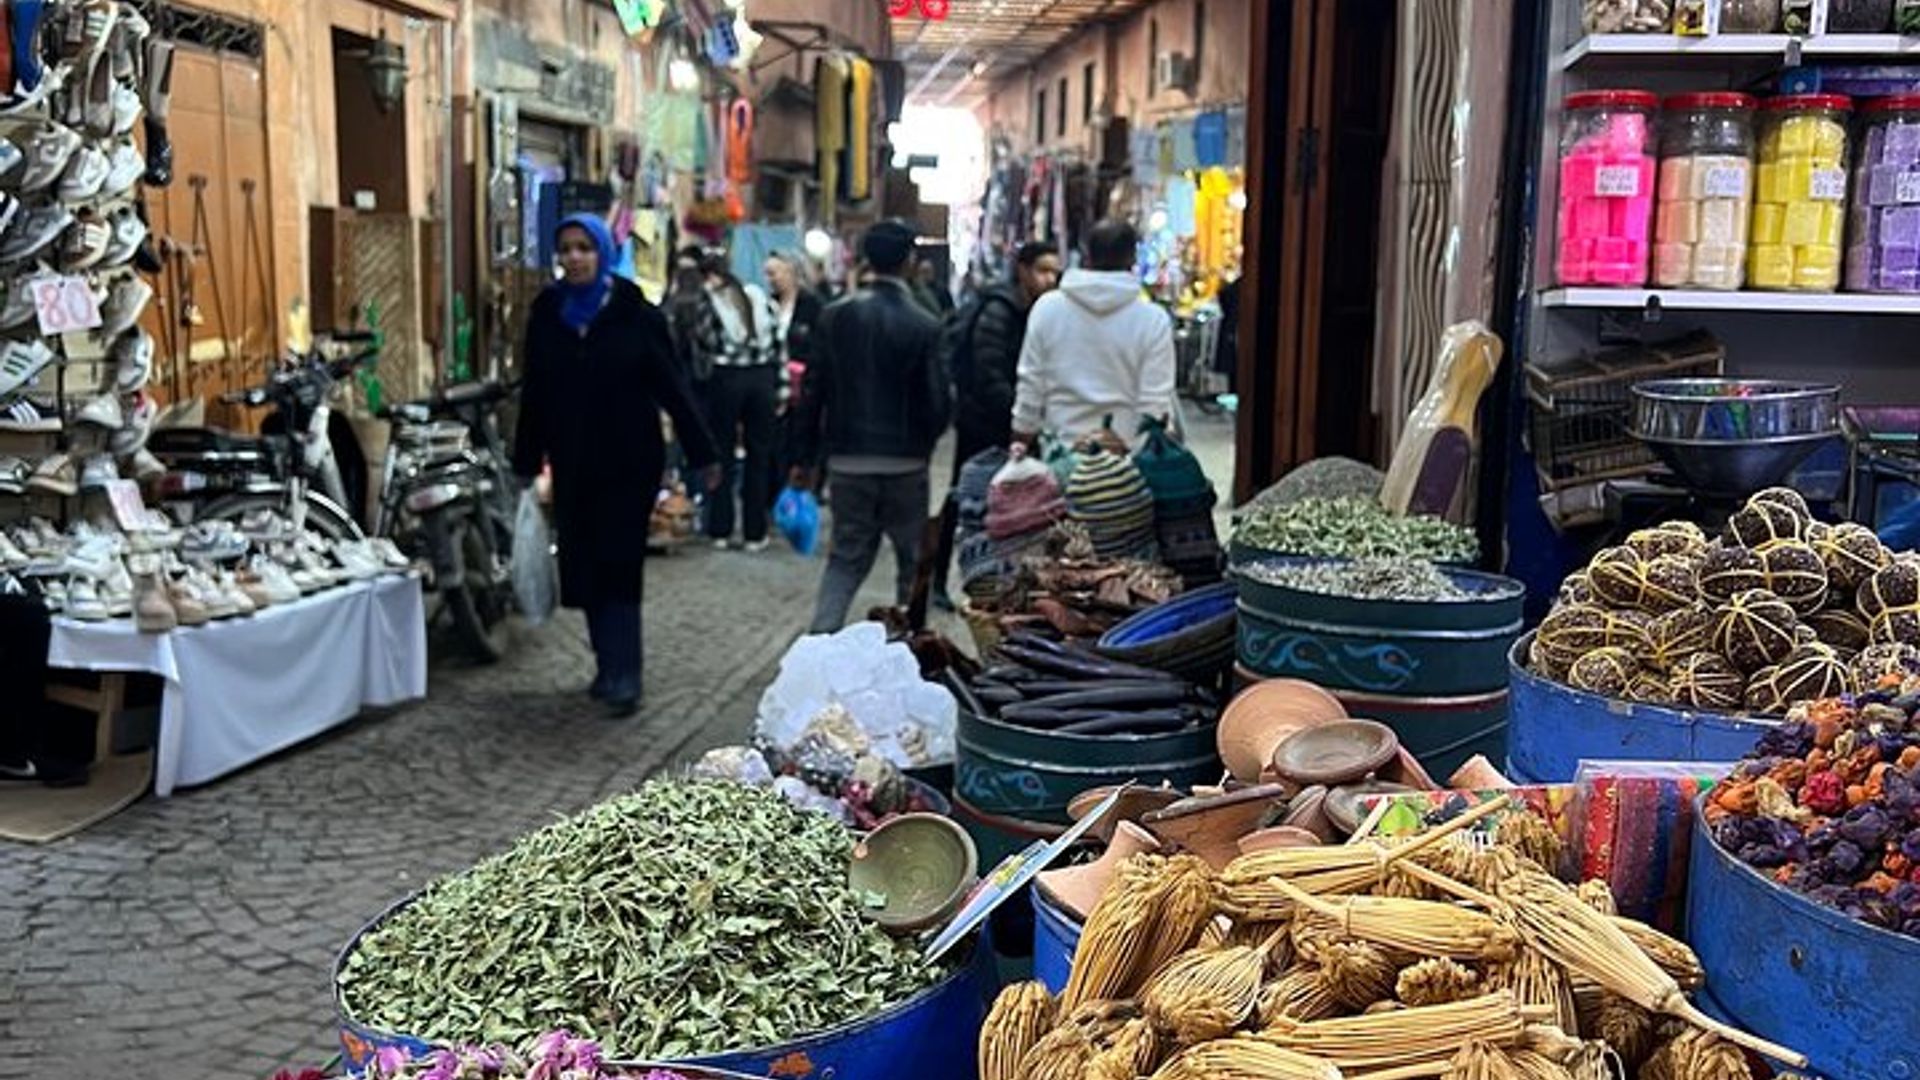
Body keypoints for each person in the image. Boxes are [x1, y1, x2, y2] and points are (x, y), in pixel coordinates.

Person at [514, 214, 720, 718]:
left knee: (620, 562)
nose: (575, 257)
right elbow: (534, 394)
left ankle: (626, 673)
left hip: (630, 460)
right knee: (582, 564)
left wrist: (703, 452)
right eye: (566, 248)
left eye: (585, 247)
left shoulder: (635, 314)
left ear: (602, 253)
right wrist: (525, 459)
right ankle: (606, 664)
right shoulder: (547, 314)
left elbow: (672, 386)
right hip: (573, 461)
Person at [793, 220, 950, 635]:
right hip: (905, 463)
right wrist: (923, 446)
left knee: (845, 560)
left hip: (847, 460)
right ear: (909, 262)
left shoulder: (833, 317)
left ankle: (820, 643)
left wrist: (806, 458)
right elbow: (938, 403)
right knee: (910, 562)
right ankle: (906, 648)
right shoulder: (924, 324)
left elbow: (812, 394)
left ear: (865, 260)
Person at [932, 241, 1062, 609]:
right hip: (983, 425)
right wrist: (1021, 418)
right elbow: (989, 373)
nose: (1050, 279)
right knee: (965, 499)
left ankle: (1000, 582)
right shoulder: (1000, 310)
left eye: (1055, 272)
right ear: (1022, 270)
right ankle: (937, 580)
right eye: (1043, 270)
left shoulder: (1031, 311)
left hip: (1005, 423)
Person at [1012, 219, 1178, 448]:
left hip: (1061, 452)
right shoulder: (1153, 320)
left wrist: (1021, 436)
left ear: (1085, 255)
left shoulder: (1047, 308)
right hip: (1128, 458)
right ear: (1133, 259)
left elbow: (1030, 384)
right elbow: (1155, 401)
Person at [695, 251, 782, 551]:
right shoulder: (757, 295)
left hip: (727, 379)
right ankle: (754, 533)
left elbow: (704, 338)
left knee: (723, 454)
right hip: (762, 380)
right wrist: (780, 387)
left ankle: (720, 528)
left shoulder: (709, 300)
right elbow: (779, 341)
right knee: (759, 456)